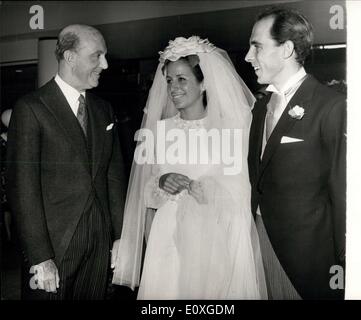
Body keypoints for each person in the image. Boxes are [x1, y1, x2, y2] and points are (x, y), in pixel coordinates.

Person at [112, 36, 267, 299]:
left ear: (204, 81)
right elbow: (143, 192)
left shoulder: (229, 130)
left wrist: (209, 188)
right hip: (167, 238)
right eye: (169, 80)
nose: (173, 87)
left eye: (182, 79)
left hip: (213, 239)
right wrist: (161, 182)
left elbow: (242, 192)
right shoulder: (158, 131)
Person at [6, 24, 126, 300]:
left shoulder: (103, 109)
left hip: (99, 243)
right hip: (54, 245)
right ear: (70, 57)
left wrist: (121, 236)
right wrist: (40, 256)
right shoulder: (32, 108)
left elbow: (113, 176)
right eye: (97, 56)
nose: (105, 65)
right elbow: (22, 189)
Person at [245, 7, 346, 299]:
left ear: (287, 49)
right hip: (261, 245)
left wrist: (346, 265)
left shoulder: (331, 107)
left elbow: (342, 194)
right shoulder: (261, 107)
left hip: (310, 262)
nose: (248, 57)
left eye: (257, 47)